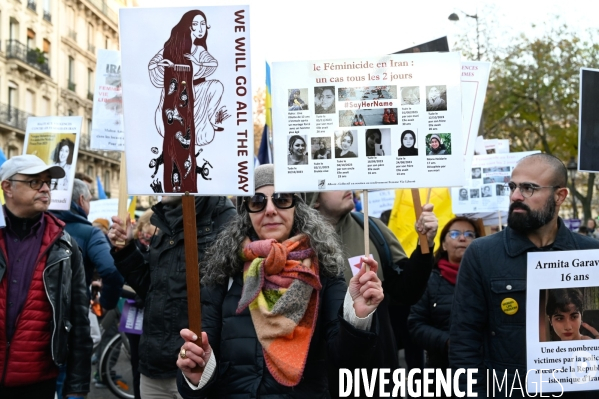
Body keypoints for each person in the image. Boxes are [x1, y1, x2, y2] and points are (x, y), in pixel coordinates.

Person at [175, 164, 384, 397]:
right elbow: (200, 367)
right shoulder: (225, 274)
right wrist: (196, 374)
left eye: (282, 199)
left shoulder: (323, 272)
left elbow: (346, 361)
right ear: (247, 212)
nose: (270, 210)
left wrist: (357, 318)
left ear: (298, 208)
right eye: (257, 201)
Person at [449, 153, 599, 398]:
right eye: (513, 186)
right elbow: (464, 342)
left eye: (529, 188)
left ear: (559, 196)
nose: (516, 196)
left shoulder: (591, 253)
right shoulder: (482, 254)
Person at [306, 190, 438, 397]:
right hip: (321, 380)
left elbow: (406, 292)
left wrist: (426, 244)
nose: (346, 185)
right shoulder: (297, 241)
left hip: (377, 373)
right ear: (314, 200)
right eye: (335, 183)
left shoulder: (372, 229)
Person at [108, 193, 235, 398]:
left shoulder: (224, 218)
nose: (162, 177)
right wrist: (126, 249)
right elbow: (152, 288)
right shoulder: (165, 219)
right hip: (153, 367)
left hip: (195, 371)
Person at [0, 154, 92, 398]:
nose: (44, 188)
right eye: (34, 182)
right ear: (7, 187)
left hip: (37, 381)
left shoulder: (65, 246)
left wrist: (76, 388)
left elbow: (79, 322)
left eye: (47, 183)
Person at [148, 10, 224, 191]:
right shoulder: (170, 47)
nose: (200, 28)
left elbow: (212, 64)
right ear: (188, 26)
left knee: (217, 86)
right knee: (173, 143)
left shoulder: (199, 50)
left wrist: (195, 64)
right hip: (173, 100)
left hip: (193, 98)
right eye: (196, 24)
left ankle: (210, 119)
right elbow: (153, 64)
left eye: (203, 24)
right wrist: (163, 66)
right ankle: (173, 180)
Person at [408, 217, 481, 397]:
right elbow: (416, 325)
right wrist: (447, 342)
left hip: (481, 371)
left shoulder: (486, 279)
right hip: (440, 376)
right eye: (455, 234)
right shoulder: (429, 280)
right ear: (444, 245)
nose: (462, 239)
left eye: (469, 234)